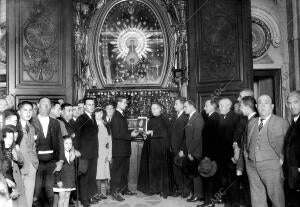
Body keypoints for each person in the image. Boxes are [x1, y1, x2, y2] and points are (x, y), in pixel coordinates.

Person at [245, 95, 289, 207]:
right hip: (252, 166)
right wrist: (247, 159)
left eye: (266, 103)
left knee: (276, 198)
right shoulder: (252, 123)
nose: (263, 106)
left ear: (272, 106)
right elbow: (246, 143)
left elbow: (288, 145)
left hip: (272, 166)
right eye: (259, 103)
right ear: (256, 106)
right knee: (256, 198)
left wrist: (282, 161)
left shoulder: (281, 122)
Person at [31, 97, 64, 207]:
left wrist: (60, 161)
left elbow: (60, 142)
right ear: (38, 105)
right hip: (36, 163)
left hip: (51, 162)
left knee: (50, 192)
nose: (46, 106)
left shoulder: (55, 123)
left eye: (48, 104)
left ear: (51, 107)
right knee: (37, 191)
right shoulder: (31, 121)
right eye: (43, 103)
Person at [138, 103, 173, 198]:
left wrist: (153, 132)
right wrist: (145, 135)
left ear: (160, 109)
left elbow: (166, 133)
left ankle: (162, 189)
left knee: (160, 169)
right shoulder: (151, 119)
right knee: (152, 168)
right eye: (152, 109)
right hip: (151, 148)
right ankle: (153, 188)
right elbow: (147, 131)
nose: (153, 110)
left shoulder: (164, 119)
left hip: (160, 149)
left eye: (155, 108)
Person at [110, 96, 139, 201]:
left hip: (124, 149)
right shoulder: (116, 116)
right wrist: (130, 135)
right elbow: (116, 134)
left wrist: (130, 131)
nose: (126, 105)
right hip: (119, 150)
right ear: (118, 103)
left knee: (124, 171)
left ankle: (123, 189)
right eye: (124, 103)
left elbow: (121, 130)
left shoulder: (121, 115)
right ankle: (114, 192)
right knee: (117, 172)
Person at [75, 98, 99, 206]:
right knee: (84, 177)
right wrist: (77, 150)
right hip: (84, 153)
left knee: (91, 177)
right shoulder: (81, 118)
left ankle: (88, 197)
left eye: (93, 105)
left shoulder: (92, 117)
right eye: (89, 105)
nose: (91, 106)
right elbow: (77, 137)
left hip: (93, 153)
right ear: (84, 106)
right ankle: (84, 200)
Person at [217, 98, 241, 206]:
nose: (219, 108)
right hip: (221, 156)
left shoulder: (236, 117)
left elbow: (237, 137)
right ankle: (227, 202)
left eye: (221, 106)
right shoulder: (220, 117)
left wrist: (235, 154)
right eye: (219, 106)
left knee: (232, 181)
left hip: (231, 155)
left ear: (228, 106)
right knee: (224, 180)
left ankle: (234, 203)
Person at [16, 101, 39, 207]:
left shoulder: (32, 128)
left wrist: (35, 163)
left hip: (31, 166)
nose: (28, 113)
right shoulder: (14, 127)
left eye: (30, 110)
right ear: (19, 112)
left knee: (29, 196)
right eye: (25, 110)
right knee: (18, 196)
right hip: (18, 166)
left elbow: (33, 147)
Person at [183, 100, 204, 204]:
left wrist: (190, 152)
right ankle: (196, 194)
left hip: (195, 151)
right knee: (193, 173)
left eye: (185, 107)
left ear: (192, 106)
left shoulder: (198, 118)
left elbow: (197, 138)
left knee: (196, 174)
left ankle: (198, 195)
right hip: (191, 151)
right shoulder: (191, 117)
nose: (184, 109)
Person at [1, 125, 26, 207]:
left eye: (11, 138)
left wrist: (13, 188)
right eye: (6, 138)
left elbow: (21, 161)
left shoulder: (12, 149)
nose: (9, 141)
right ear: (2, 138)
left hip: (12, 185)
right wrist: (6, 181)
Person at [200, 99, 220, 205]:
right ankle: (210, 201)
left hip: (210, 155)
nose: (204, 108)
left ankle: (208, 201)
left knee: (209, 178)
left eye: (206, 106)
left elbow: (213, 140)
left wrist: (208, 156)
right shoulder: (212, 117)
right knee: (211, 178)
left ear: (212, 106)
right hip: (211, 154)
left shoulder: (214, 118)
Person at [169, 97, 189, 198]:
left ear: (182, 105)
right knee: (176, 170)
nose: (174, 106)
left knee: (183, 170)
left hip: (181, 150)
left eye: (176, 104)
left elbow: (187, 136)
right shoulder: (175, 116)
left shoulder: (186, 117)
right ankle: (179, 189)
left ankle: (185, 190)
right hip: (173, 149)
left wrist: (183, 149)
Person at [53, 135, 80, 207]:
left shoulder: (71, 154)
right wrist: (58, 180)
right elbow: (56, 169)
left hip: (69, 180)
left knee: (67, 197)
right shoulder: (59, 155)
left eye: (70, 143)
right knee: (62, 198)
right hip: (62, 180)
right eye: (66, 143)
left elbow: (74, 168)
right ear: (62, 144)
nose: (68, 145)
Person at [284, 91, 300, 206]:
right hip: (292, 172)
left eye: (295, 102)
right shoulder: (294, 123)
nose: (292, 106)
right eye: (289, 103)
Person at [94, 108, 111, 198]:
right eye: (97, 113)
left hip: (105, 151)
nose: (99, 114)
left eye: (101, 113)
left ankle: (108, 190)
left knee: (106, 171)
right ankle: (98, 192)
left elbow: (109, 140)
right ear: (94, 114)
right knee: (98, 173)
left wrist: (109, 153)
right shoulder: (92, 125)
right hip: (95, 151)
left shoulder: (106, 124)